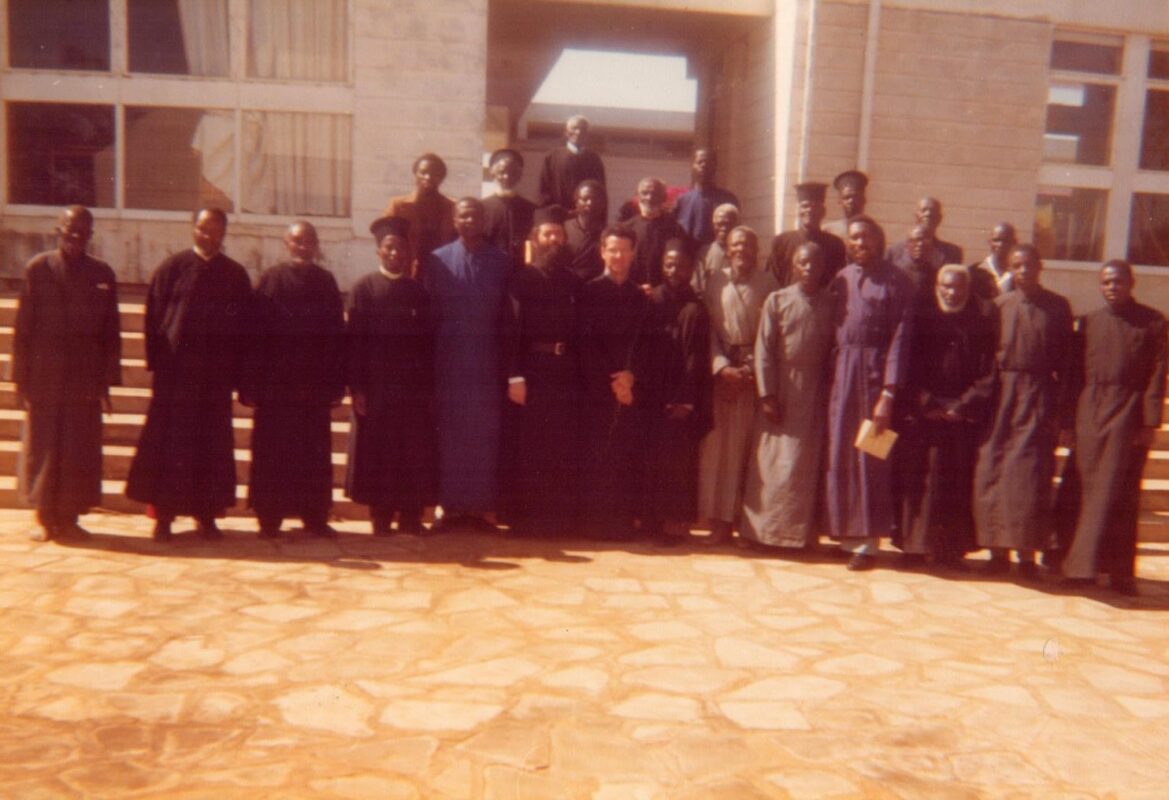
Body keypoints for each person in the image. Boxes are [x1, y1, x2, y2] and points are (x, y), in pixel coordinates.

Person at [126, 208, 253, 541]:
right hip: (176, 378)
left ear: (224, 233)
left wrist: (238, 375)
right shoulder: (172, 269)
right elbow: (154, 319)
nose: (208, 236)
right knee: (170, 447)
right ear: (192, 229)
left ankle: (207, 516)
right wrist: (157, 365)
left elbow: (245, 329)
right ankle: (164, 517)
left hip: (215, 379)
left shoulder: (235, 275)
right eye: (202, 229)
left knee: (211, 448)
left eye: (215, 230)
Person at [9, 206, 121, 542]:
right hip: (45, 375)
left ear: (90, 236)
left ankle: (70, 517)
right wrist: (20, 378)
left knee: (78, 449)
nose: (76, 238)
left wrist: (106, 383)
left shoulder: (102, 273)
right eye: (70, 231)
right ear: (58, 231)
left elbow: (111, 333)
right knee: (44, 446)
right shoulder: (39, 269)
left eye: (83, 233)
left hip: (84, 378)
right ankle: (45, 517)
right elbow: (23, 328)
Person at [1059, 261, 1166, 594]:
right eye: (1106, 282)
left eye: (1118, 282)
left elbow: (1157, 375)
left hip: (1128, 415)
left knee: (1122, 495)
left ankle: (1120, 573)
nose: (1112, 288)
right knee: (1085, 491)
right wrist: (1068, 422)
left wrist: (1149, 422)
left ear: (1131, 283)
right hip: (1090, 414)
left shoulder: (1153, 322)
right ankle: (1080, 569)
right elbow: (1073, 376)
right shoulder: (1089, 322)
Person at [973, 243, 1073, 577]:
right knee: (995, 470)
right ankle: (997, 552)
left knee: (1030, 477)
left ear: (1040, 266)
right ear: (1010, 269)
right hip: (1002, 397)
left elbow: (1067, 364)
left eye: (1029, 264)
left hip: (1038, 396)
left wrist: (1059, 410)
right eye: (1016, 265)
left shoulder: (1057, 307)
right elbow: (986, 358)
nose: (1023, 271)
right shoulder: (1000, 306)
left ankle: (1026, 555)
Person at [243, 221, 345, 540]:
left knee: (313, 454)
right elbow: (254, 336)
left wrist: (335, 384)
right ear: (286, 243)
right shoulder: (270, 280)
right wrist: (251, 383)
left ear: (316, 246)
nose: (303, 246)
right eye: (297, 240)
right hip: (275, 388)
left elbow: (336, 336)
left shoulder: (326, 282)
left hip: (313, 386)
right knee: (272, 453)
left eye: (309, 241)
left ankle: (314, 517)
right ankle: (269, 517)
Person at [824, 215, 914, 571]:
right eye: (853, 238)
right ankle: (847, 535)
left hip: (875, 376)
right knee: (842, 453)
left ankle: (869, 543)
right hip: (843, 374)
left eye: (865, 237)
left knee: (872, 455)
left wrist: (888, 393)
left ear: (879, 239)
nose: (859, 243)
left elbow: (900, 339)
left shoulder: (897, 281)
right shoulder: (842, 278)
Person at [892, 265, 996, 569]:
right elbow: (906, 364)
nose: (952, 293)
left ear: (968, 289)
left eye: (958, 287)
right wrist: (927, 402)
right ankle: (913, 548)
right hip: (924, 415)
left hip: (960, 418)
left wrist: (962, 406)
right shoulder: (922, 318)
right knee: (919, 480)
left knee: (954, 484)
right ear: (937, 286)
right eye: (946, 287)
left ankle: (950, 551)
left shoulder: (980, 322)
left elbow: (990, 372)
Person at [740, 242, 835, 551]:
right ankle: (761, 534)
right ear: (794, 266)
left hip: (814, 392)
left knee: (803, 466)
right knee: (771, 463)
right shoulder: (777, 300)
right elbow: (764, 349)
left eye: (814, 263)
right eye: (803, 263)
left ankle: (798, 537)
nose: (808, 269)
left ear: (823, 268)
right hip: (781, 388)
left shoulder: (831, 303)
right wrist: (767, 394)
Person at [424, 197, 510, 532]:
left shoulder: (502, 262)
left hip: (487, 361)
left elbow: (507, 316)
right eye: (463, 216)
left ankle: (480, 509)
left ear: (484, 220)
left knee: (484, 434)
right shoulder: (438, 260)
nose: (469, 220)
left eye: (475, 215)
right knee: (450, 434)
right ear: (454, 220)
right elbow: (430, 315)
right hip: (450, 360)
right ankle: (449, 508)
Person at [345, 216, 435, 536]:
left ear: (409, 253)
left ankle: (410, 516)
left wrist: (428, 389)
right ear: (378, 251)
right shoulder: (363, 289)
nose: (395, 253)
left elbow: (429, 344)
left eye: (400, 248)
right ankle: (380, 517)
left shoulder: (419, 293)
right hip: (377, 387)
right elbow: (353, 343)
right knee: (378, 453)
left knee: (412, 452)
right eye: (389, 248)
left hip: (412, 389)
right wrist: (357, 388)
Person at [502, 205, 583, 536]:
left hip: (564, 373)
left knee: (561, 445)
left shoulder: (573, 282)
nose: (554, 239)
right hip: (531, 371)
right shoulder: (521, 280)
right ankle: (526, 520)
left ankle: (557, 520)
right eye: (548, 234)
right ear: (535, 238)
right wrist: (514, 376)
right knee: (531, 446)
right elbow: (510, 330)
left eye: (559, 234)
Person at [698, 226, 778, 543]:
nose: (741, 249)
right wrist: (721, 367)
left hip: (750, 376)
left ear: (757, 250)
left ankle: (737, 521)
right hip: (721, 375)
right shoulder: (715, 281)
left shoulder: (769, 284)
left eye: (748, 244)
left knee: (742, 451)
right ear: (727, 249)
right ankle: (715, 520)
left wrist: (747, 370)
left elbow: (771, 334)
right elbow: (707, 329)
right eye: (736, 244)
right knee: (716, 451)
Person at [577, 225, 647, 539]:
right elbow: (585, 343)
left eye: (624, 250)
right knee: (597, 454)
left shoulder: (640, 296)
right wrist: (612, 383)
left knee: (624, 454)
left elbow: (645, 343)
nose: (618, 256)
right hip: (597, 388)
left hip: (629, 389)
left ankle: (620, 523)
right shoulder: (589, 292)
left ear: (633, 254)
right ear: (602, 252)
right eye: (613, 250)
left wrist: (631, 377)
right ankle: (594, 523)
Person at [642, 239, 713, 544]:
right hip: (651, 394)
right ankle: (650, 520)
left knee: (677, 462)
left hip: (679, 396)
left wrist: (685, 400)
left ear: (692, 269)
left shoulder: (695, 309)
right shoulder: (651, 301)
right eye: (669, 264)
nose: (674, 271)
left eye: (681, 266)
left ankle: (674, 523)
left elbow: (696, 360)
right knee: (650, 458)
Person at [383, 153, 457, 275]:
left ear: (441, 178)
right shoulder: (398, 206)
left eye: (434, 173)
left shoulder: (453, 208)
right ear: (415, 174)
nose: (428, 177)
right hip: (406, 274)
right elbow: (385, 243)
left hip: (441, 273)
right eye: (423, 172)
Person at [766, 182, 846, 287]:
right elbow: (771, 279)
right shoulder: (781, 242)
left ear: (823, 211)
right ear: (798, 210)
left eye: (815, 206)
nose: (809, 210)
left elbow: (839, 279)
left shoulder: (835, 244)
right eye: (805, 206)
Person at [481, 148, 536, 272]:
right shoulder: (481, 208)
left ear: (520, 175)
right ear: (492, 173)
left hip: (520, 272)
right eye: (501, 172)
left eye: (513, 173)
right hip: (489, 271)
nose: (507, 177)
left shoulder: (532, 210)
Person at [628, 177, 689, 288]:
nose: (649, 198)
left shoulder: (675, 229)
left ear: (664, 197)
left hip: (664, 293)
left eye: (654, 194)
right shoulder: (627, 229)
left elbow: (682, 265)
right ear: (637, 196)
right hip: (632, 291)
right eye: (644, 193)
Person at [672, 148, 739, 246]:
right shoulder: (682, 201)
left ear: (715, 166)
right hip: (689, 253)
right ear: (692, 166)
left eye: (708, 162)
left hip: (716, 253)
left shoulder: (728, 199)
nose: (704, 165)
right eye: (699, 162)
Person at [539, 114, 606, 208]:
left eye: (582, 129)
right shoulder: (552, 157)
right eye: (574, 128)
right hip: (559, 213)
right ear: (566, 132)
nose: (578, 132)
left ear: (587, 134)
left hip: (586, 214)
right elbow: (544, 190)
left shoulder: (594, 159)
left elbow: (601, 192)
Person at [888, 197, 962, 265]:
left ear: (939, 218)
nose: (928, 214)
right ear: (916, 216)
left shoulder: (952, 253)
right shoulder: (894, 251)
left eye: (933, 211)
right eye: (924, 210)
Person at [889, 224, 945, 307]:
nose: (920, 244)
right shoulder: (894, 272)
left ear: (932, 246)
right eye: (914, 240)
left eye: (925, 240)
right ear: (907, 246)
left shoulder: (937, 274)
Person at [564, 179, 608, 282]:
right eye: (585, 199)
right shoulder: (563, 229)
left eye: (596, 199)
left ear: (603, 203)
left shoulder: (609, 234)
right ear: (576, 202)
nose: (590, 203)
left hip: (596, 288)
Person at [693, 203, 739, 295]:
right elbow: (697, 287)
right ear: (713, 225)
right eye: (719, 224)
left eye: (728, 224)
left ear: (736, 224)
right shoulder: (704, 253)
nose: (723, 228)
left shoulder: (743, 252)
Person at [969, 222, 1017, 300]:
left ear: (1014, 242)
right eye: (996, 240)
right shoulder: (975, 271)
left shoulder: (1019, 274)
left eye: (1006, 240)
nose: (1000, 244)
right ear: (989, 242)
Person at [822, 169, 868, 240]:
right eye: (846, 197)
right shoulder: (828, 231)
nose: (851, 201)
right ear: (840, 201)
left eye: (855, 196)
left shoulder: (871, 230)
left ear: (864, 199)